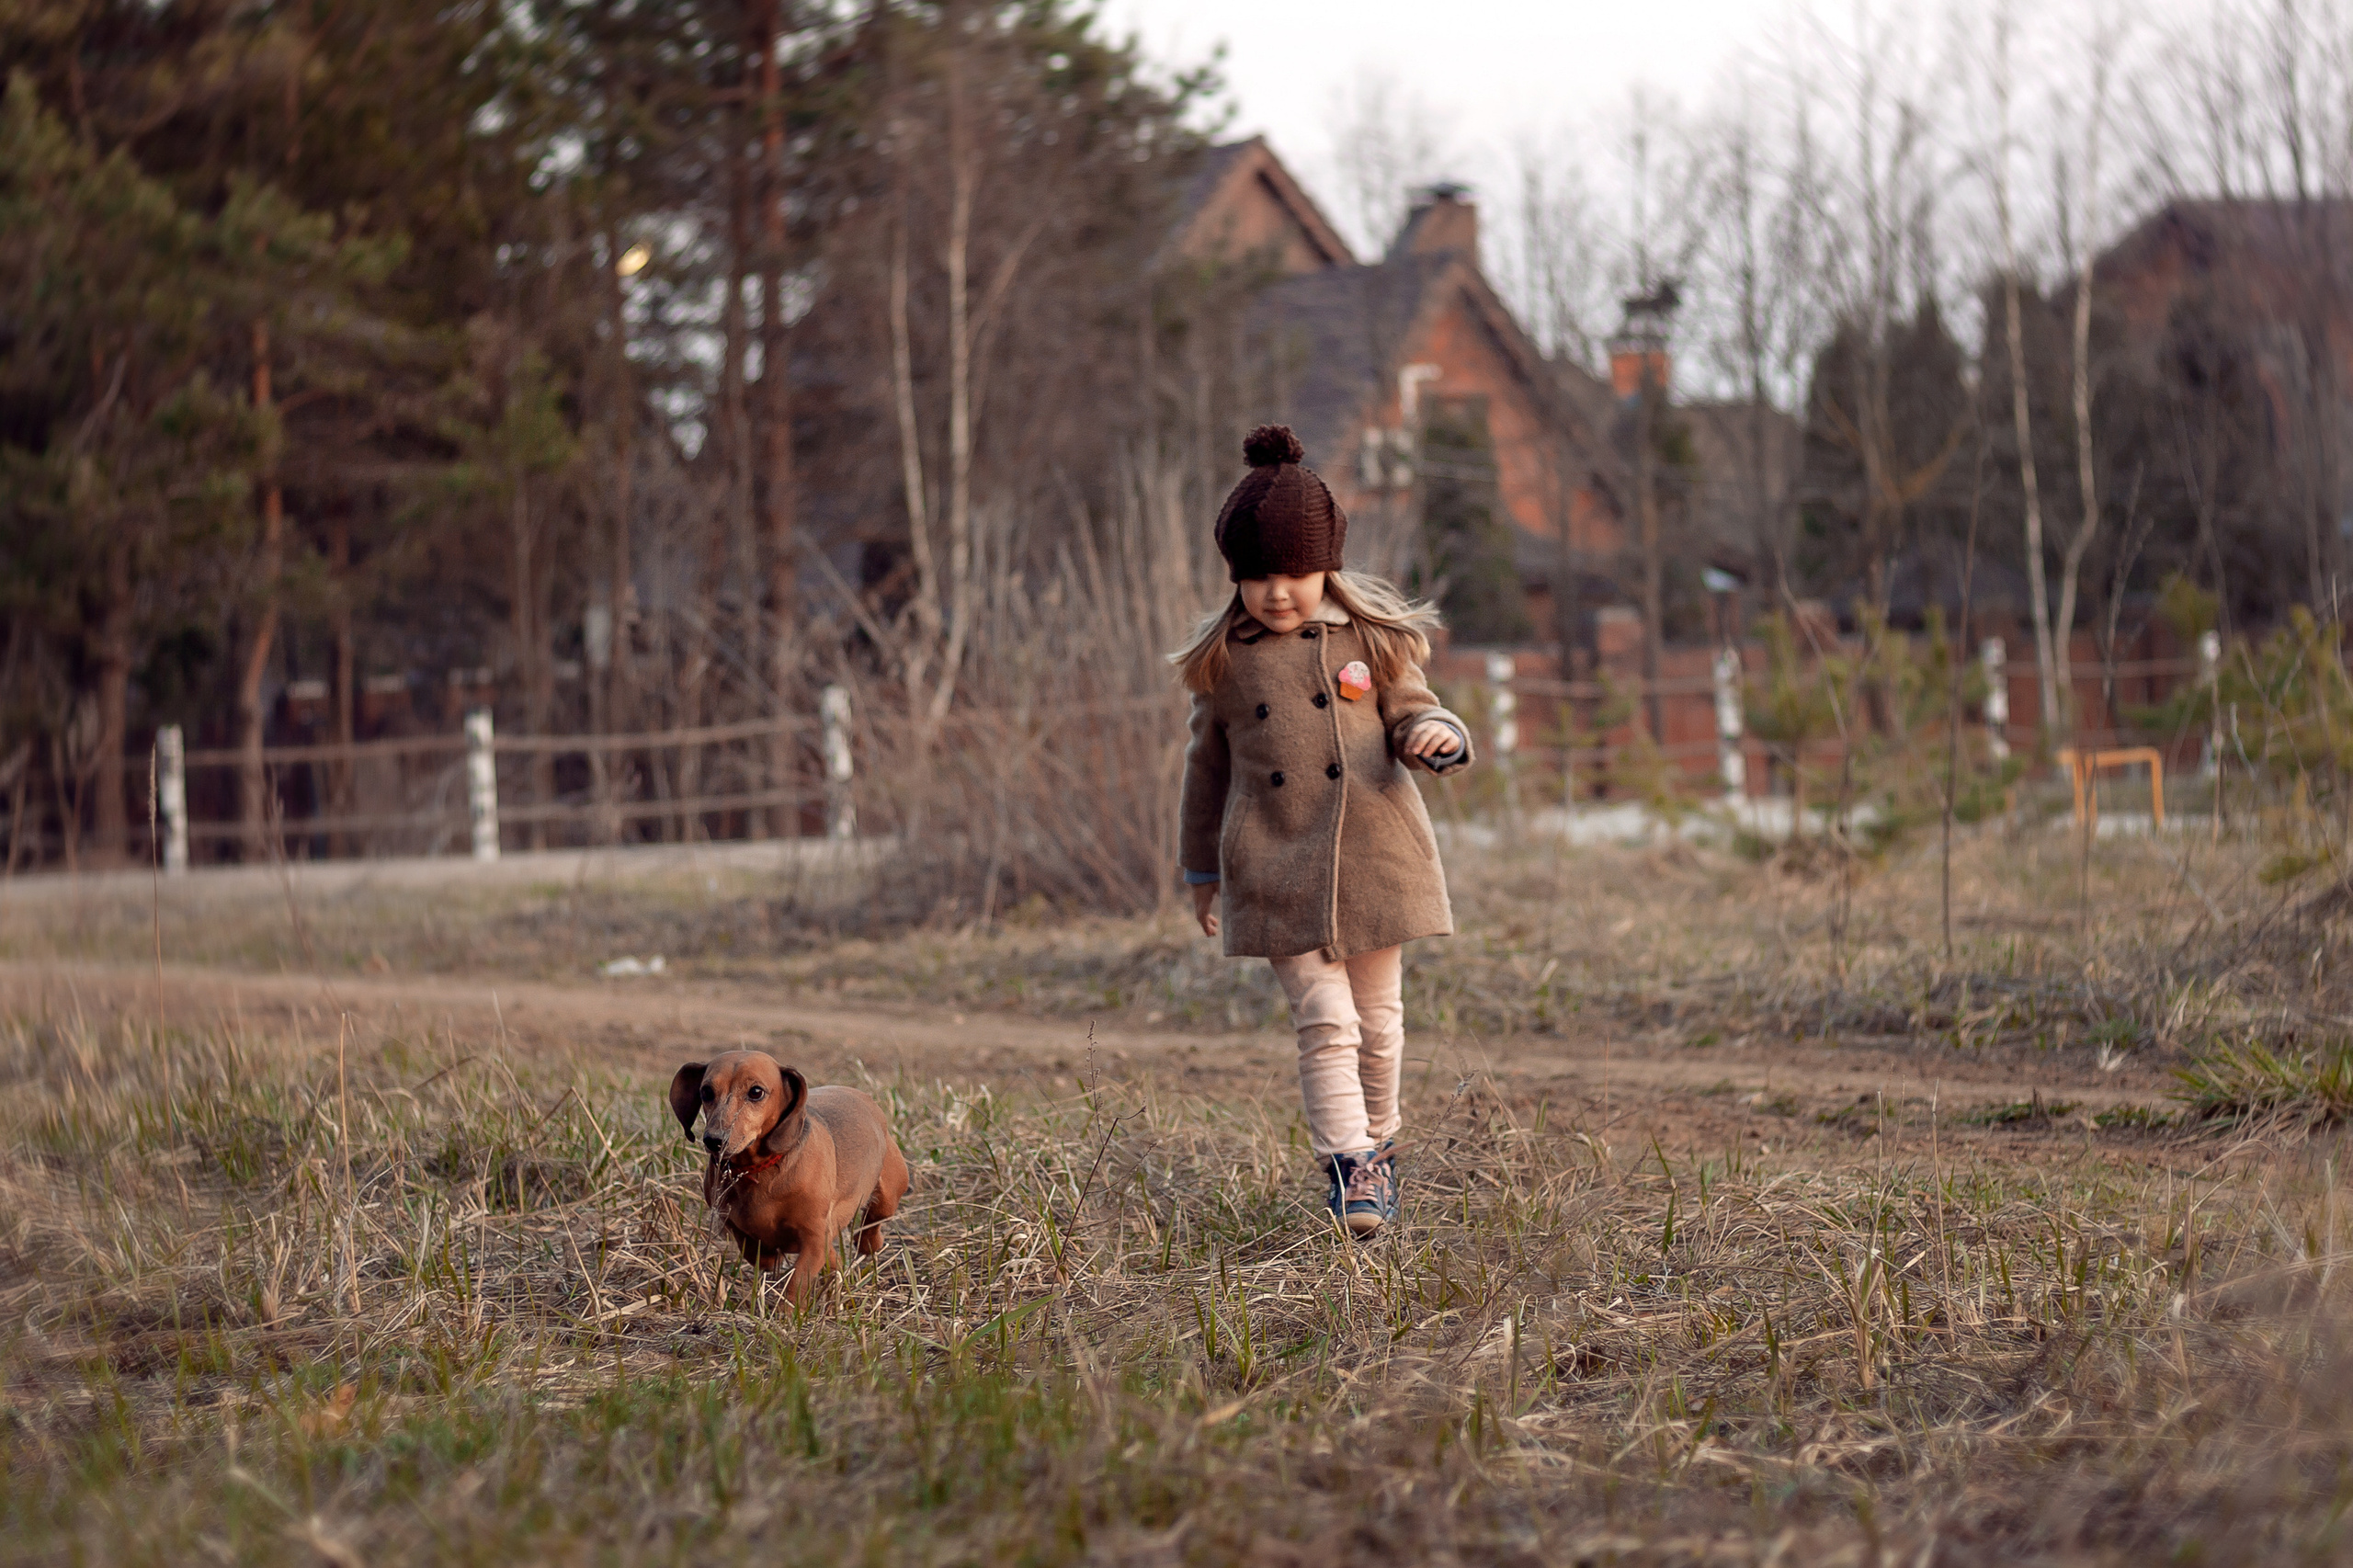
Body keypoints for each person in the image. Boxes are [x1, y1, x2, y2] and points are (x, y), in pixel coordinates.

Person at [1170, 424, 1474, 1237]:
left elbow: (1415, 711)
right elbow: (1205, 776)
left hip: (1375, 856)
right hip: (1273, 863)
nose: (1278, 594)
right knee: (1327, 1020)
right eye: (1259, 577)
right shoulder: (1224, 663)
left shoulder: (1371, 641)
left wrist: (1434, 735)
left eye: (1297, 574)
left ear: (1328, 568)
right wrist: (1202, 872)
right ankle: (1348, 1164)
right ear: (1236, 577)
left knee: (1379, 1022)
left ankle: (1380, 1149)